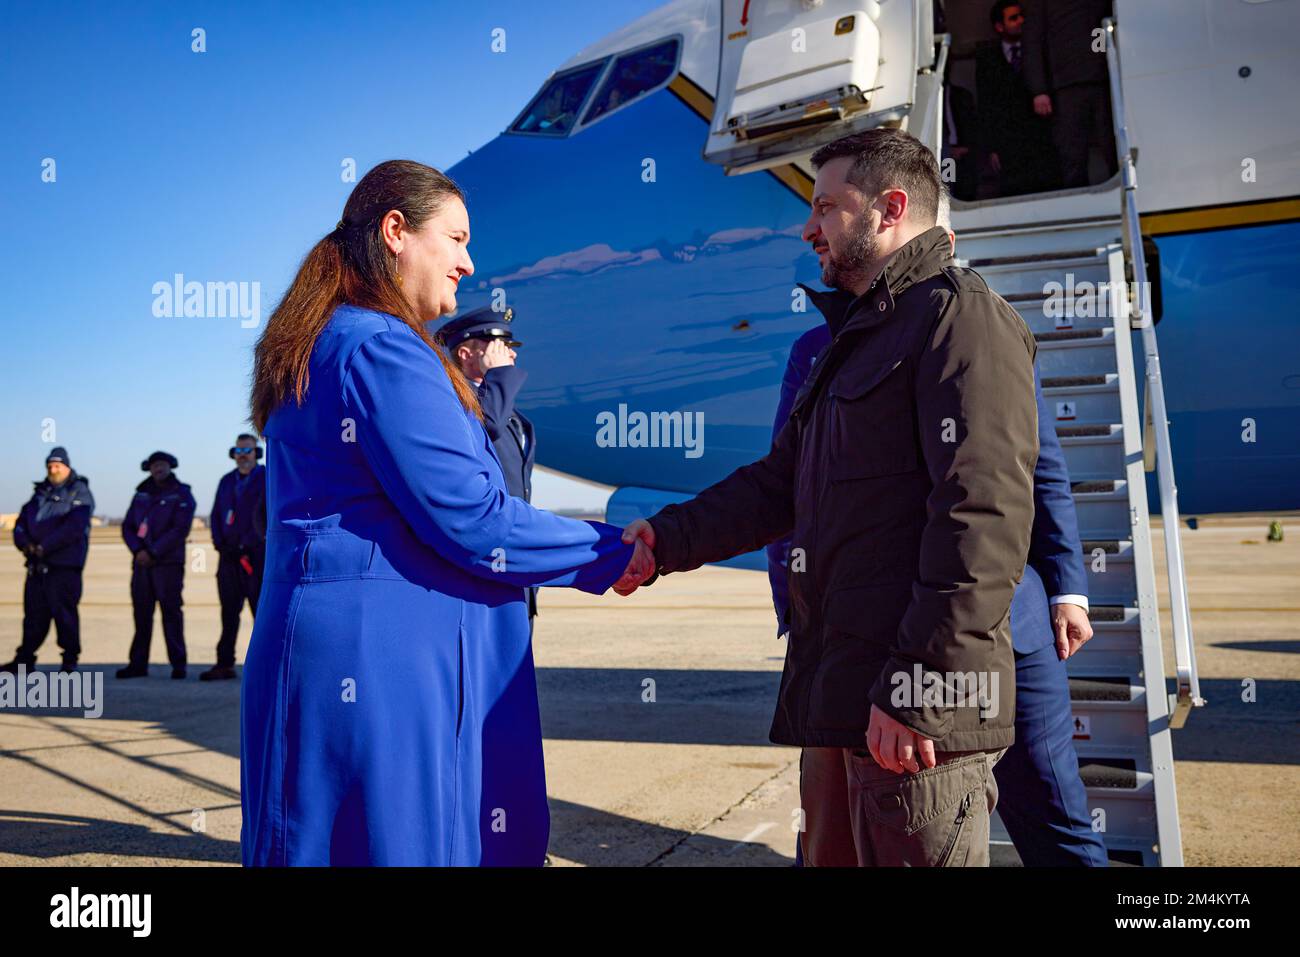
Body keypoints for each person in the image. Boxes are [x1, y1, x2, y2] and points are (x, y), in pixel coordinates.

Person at [624, 128, 1038, 867]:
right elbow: (779, 484)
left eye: (827, 206)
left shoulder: (958, 319)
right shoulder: (860, 337)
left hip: (913, 720)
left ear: (891, 209)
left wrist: (920, 685)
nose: (808, 226)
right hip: (852, 700)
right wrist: (666, 539)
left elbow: (983, 519)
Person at [241, 160, 652, 867]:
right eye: (456, 239)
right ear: (396, 232)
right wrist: (619, 551)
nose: (468, 262)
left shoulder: (330, 338)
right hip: (379, 666)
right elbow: (476, 519)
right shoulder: (383, 346)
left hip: (351, 651)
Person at [768, 196, 1108, 866]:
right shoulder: (816, 352)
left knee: (1052, 809)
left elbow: (1038, 470)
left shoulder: (986, 328)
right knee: (873, 828)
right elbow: (788, 491)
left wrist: (1070, 587)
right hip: (881, 637)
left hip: (1012, 625)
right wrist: (800, 609)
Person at [438, 307, 540, 625]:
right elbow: (486, 425)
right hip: (485, 566)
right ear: (467, 353)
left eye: (509, 347)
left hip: (515, 563)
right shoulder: (456, 399)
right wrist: (499, 376)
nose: (508, 354)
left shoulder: (502, 404)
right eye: (496, 345)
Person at [2, 447, 94, 675]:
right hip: (36, 565)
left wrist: (46, 546)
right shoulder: (39, 493)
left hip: (63, 566)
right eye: (50, 466)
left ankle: (69, 662)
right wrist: (26, 544)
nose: (53, 470)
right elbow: (21, 522)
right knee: (33, 616)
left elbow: (74, 527)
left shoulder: (78, 492)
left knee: (64, 615)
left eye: (58, 466)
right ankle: (24, 661)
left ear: (67, 467)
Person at [1021, 0, 1118, 189]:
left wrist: (1100, 56)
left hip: (1102, 81)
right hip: (1065, 85)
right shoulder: (1041, 5)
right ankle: (1078, 198)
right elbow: (1032, 44)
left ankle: (1120, 192)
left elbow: (1100, 29)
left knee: (1111, 144)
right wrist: (1039, 91)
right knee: (1072, 152)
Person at [118, 451, 195, 680]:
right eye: (154, 465)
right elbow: (127, 527)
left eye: (162, 464)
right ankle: (138, 664)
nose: (158, 469)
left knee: (171, 614)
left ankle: (178, 664)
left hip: (168, 564)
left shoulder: (182, 494)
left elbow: (180, 529)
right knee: (141, 615)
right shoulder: (141, 494)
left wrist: (153, 551)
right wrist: (139, 551)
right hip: (141, 565)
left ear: (170, 466)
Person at [975, 0, 1060, 197]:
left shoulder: (1043, 50)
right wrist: (992, 148)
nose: (1021, 21)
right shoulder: (987, 59)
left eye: (1023, 16)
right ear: (999, 26)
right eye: (1013, 18)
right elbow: (986, 105)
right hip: (1009, 145)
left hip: (1041, 137)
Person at [203, 434, 267, 681]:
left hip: (255, 557)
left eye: (247, 450)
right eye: (238, 450)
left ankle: (264, 667)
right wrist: (221, 545)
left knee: (260, 613)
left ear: (256, 454)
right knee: (228, 613)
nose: (242, 455)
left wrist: (255, 544)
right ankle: (224, 663)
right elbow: (216, 515)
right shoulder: (226, 481)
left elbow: (267, 516)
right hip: (229, 558)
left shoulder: (267, 478)